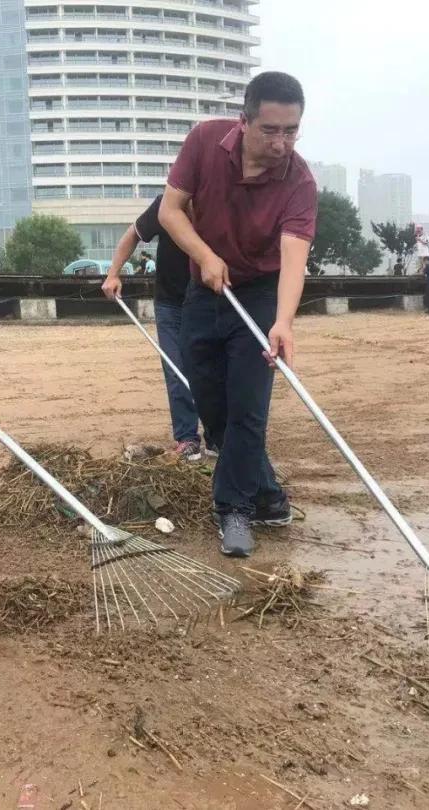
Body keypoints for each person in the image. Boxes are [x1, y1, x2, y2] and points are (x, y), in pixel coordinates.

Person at [159, 71, 317, 558]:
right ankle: (269, 495)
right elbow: (170, 212)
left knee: (248, 406)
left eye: (291, 131)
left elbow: (294, 256)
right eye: (271, 130)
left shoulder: (299, 180)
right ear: (244, 120)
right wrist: (204, 256)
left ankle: (235, 509)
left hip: (260, 293)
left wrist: (283, 321)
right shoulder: (206, 141)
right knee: (213, 408)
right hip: (204, 289)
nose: (282, 142)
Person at [102, 195, 216, 461]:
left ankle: (217, 436)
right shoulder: (167, 204)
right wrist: (113, 273)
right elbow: (132, 234)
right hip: (170, 303)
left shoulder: (217, 203)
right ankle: (187, 437)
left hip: (208, 300)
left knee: (211, 370)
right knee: (176, 369)